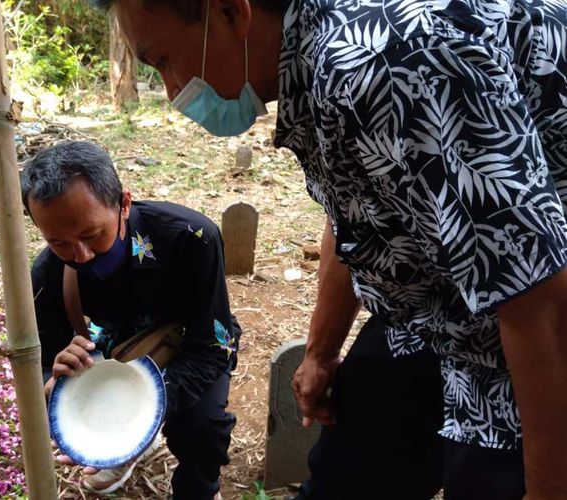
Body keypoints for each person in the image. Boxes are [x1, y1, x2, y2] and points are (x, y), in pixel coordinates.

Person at [92, 0, 567, 498]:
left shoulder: (380, 61)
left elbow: (538, 295)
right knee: (347, 467)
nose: (172, 92)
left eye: (164, 60)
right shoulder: (316, 59)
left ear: (233, 13)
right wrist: (319, 353)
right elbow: (358, 211)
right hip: (443, 307)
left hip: (531, 327)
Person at [22, 140, 239, 500]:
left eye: (92, 235)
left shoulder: (192, 237)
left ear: (124, 203)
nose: (82, 255)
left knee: (201, 427)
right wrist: (53, 382)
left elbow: (212, 346)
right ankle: (122, 442)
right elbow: (46, 365)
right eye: (59, 242)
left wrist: (141, 416)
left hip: (189, 344)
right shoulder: (47, 273)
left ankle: (198, 490)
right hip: (114, 346)